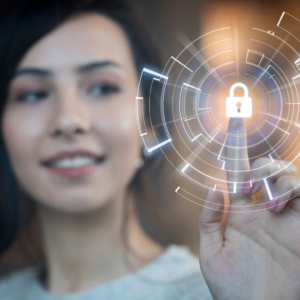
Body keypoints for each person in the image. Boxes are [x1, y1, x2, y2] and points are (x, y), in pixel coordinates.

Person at [1, 0, 300, 299]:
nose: (68, 120)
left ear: (151, 124)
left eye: (102, 88)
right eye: (33, 94)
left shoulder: (221, 291)